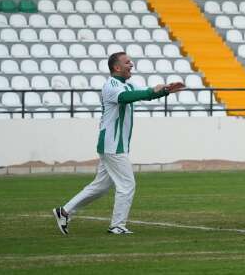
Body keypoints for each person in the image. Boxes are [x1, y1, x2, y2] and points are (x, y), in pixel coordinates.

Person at [53, 52, 183, 235]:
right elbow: (126, 98)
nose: (131, 64)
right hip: (112, 145)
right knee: (127, 184)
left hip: (113, 144)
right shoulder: (111, 85)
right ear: (116, 67)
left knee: (100, 187)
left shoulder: (127, 84)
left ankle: (64, 211)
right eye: (127, 62)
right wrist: (153, 90)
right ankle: (117, 225)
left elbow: (144, 95)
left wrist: (165, 90)